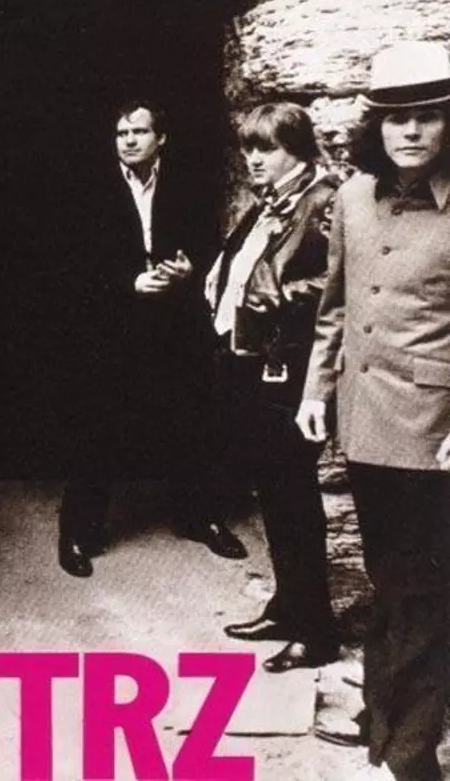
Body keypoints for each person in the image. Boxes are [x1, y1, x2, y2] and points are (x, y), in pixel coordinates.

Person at [297, 41, 450, 781]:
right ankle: (382, 710)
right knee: (390, 578)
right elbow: (334, 305)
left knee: (423, 591)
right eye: (395, 118)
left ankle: (412, 753)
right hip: (363, 422)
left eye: (428, 116)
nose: (411, 131)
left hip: (433, 433)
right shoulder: (353, 197)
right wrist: (315, 391)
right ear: (375, 128)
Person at [57, 99, 246, 578]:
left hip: (174, 319)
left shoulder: (188, 183)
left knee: (190, 417)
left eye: (138, 132)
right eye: (121, 133)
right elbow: (70, 259)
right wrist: (128, 283)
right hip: (111, 321)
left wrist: (189, 268)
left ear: (161, 138)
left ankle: (199, 517)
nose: (129, 141)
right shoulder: (88, 188)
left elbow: (210, 241)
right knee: (97, 422)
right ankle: (78, 531)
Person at [206, 102, 341, 673]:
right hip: (261, 365)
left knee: (294, 498)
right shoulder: (273, 201)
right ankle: (288, 609)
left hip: (294, 371)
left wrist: (280, 296)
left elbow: (340, 280)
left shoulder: (324, 200)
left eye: (268, 148)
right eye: (249, 149)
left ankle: (316, 632)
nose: (254, 160)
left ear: (299, 150)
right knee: (277, 494)